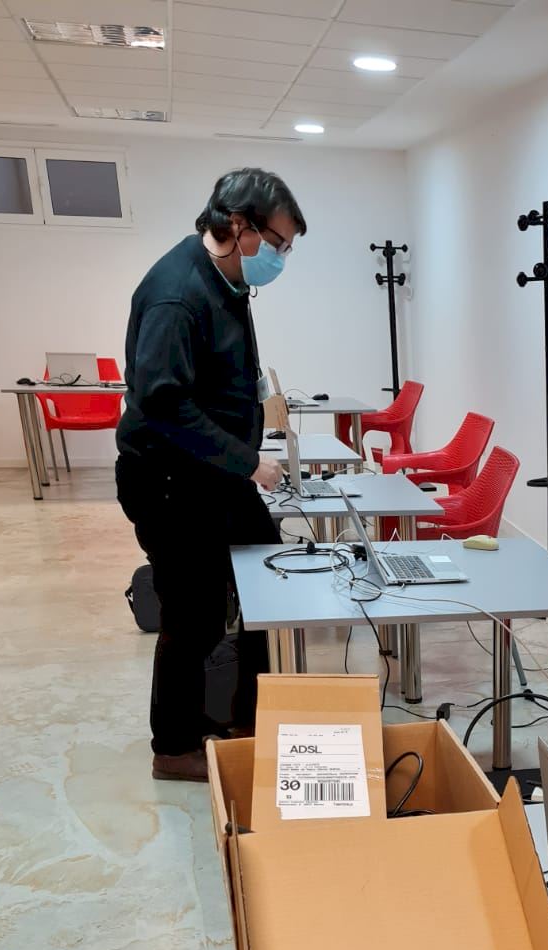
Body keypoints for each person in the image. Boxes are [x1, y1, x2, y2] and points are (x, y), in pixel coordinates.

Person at [116, 168, 306, 782]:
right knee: (193, 615)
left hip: (215, 475)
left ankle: (249, 717)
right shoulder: (177, 295)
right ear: (237, 226)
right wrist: (248, 460)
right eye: (275, 243)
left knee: (268, 582)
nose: (279, 258)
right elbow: (164, 403)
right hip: (170, 483)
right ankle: (174, 748)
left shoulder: (226, 279)